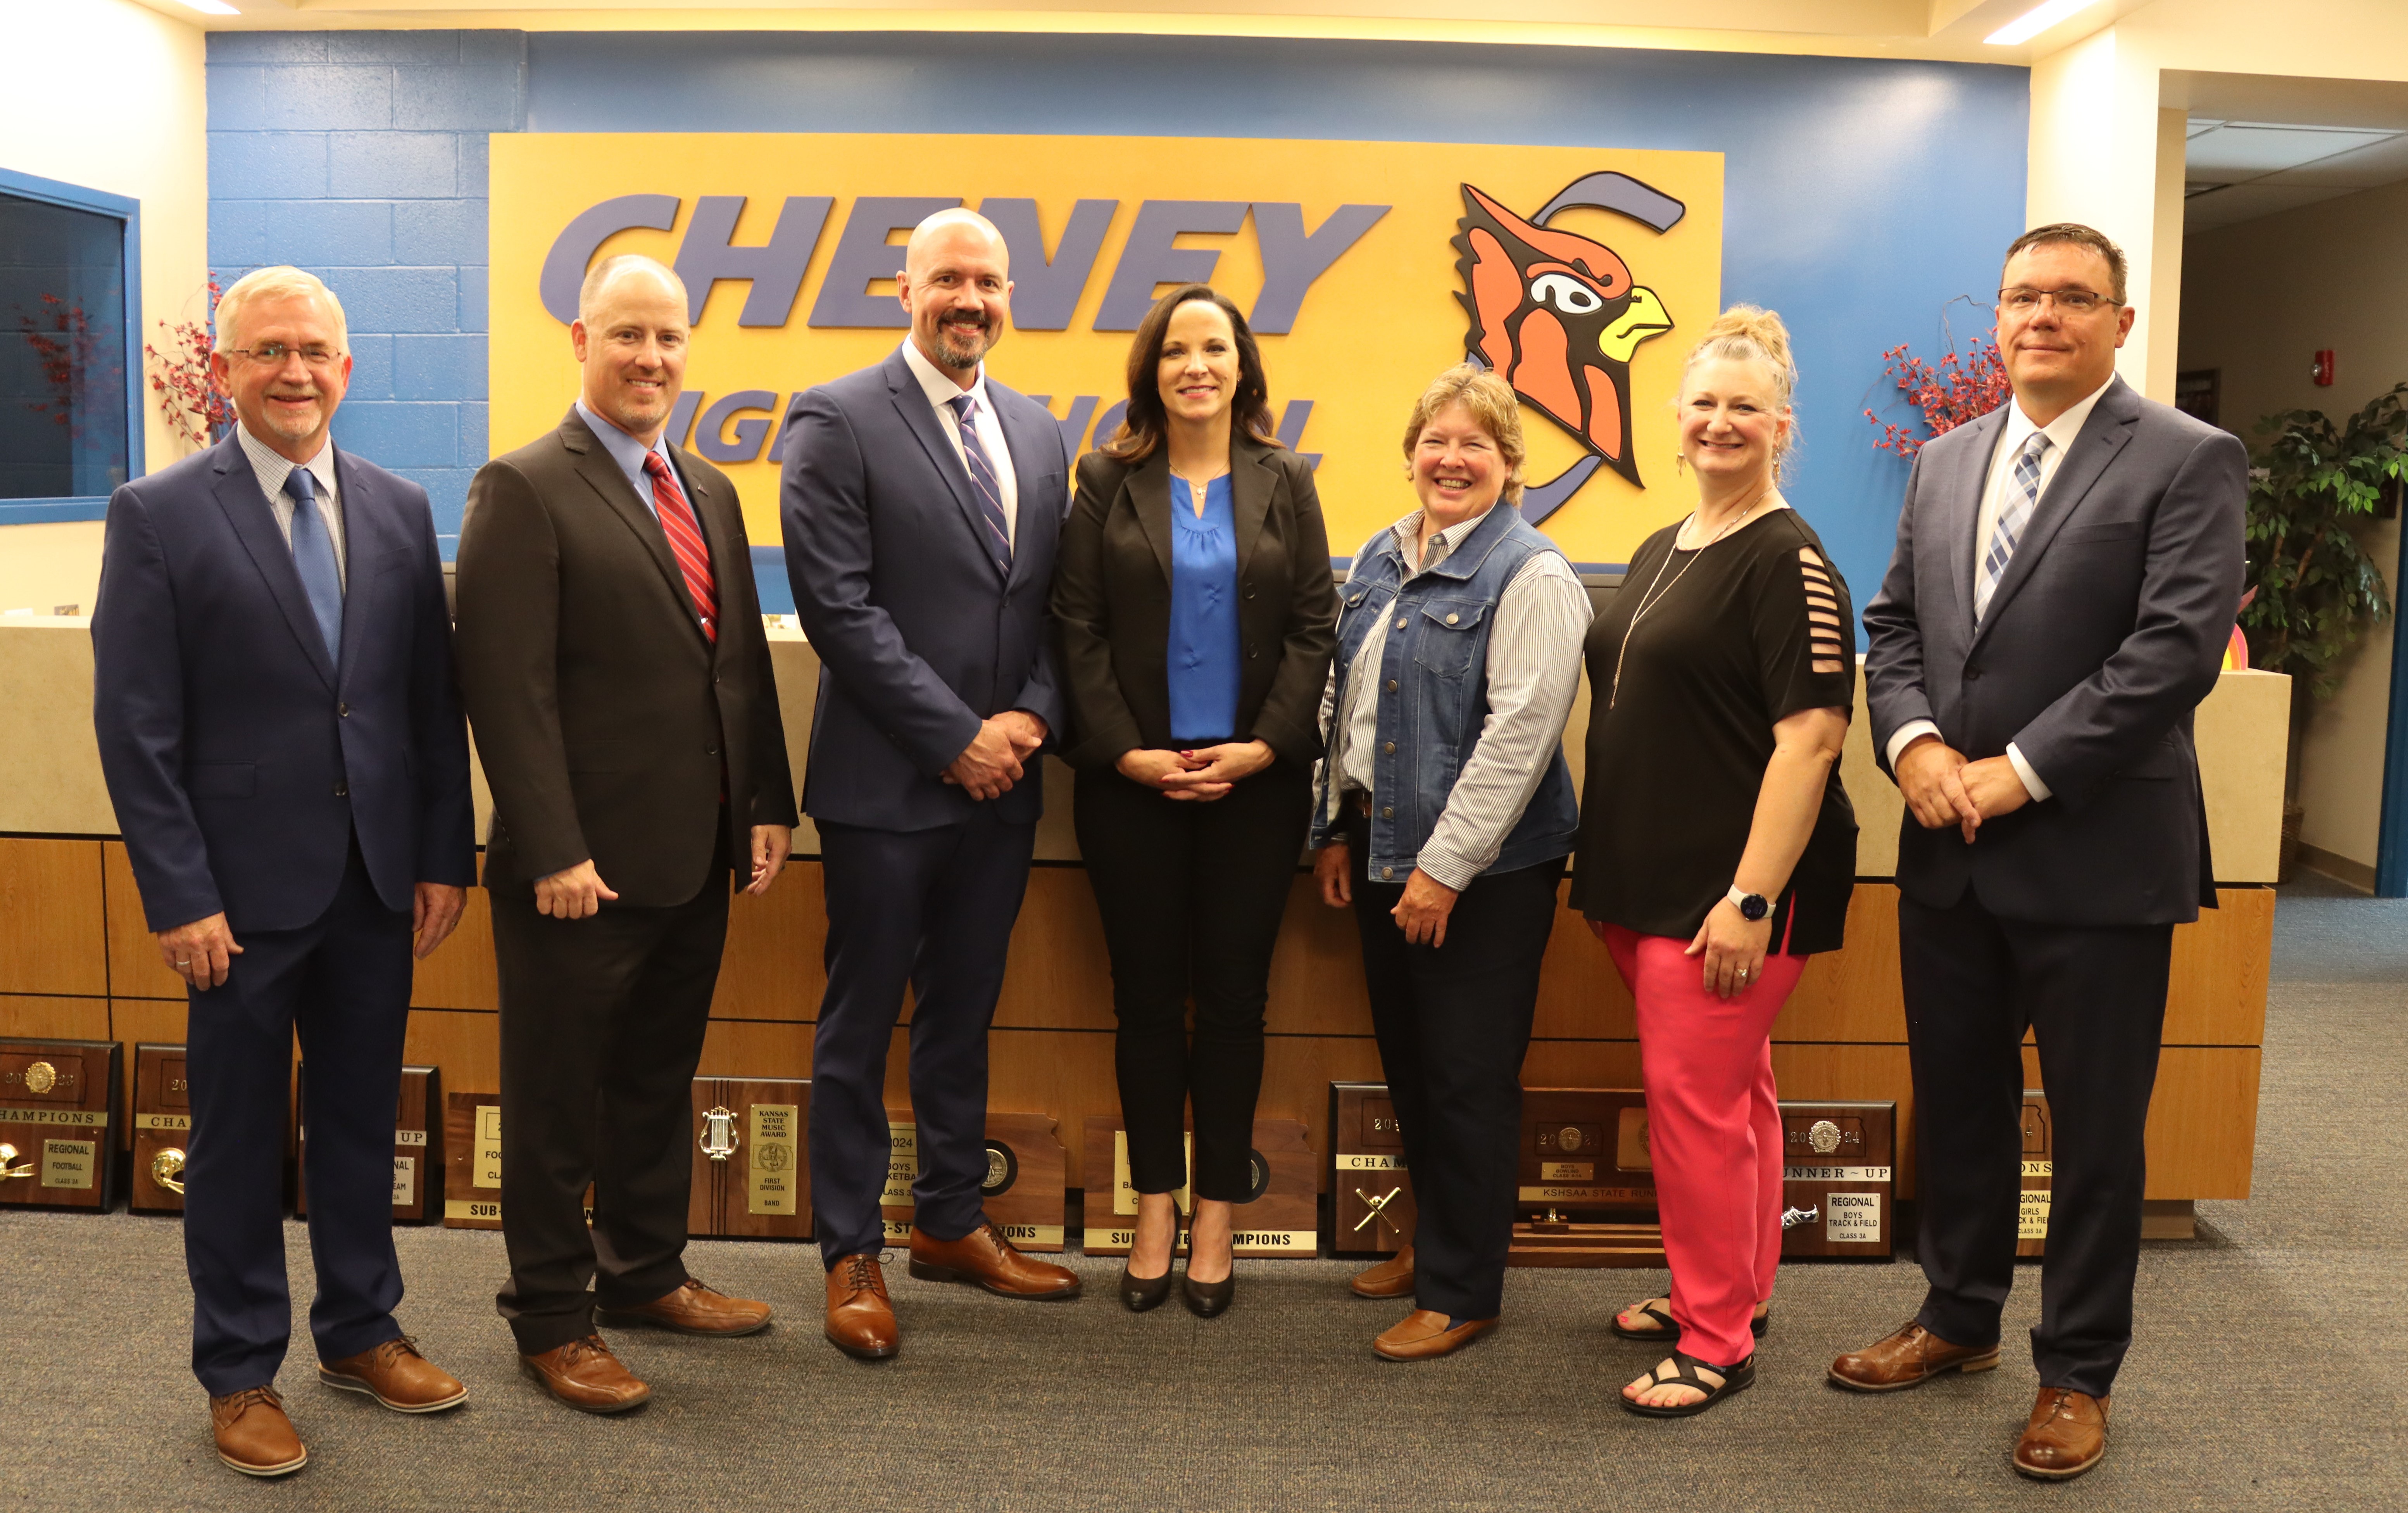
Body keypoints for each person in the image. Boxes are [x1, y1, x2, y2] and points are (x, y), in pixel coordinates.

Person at [1842, 223, 2246, 1481]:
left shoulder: (2187, 459)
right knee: (1958, 1110)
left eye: (2074, 298)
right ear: (1998, 318)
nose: (2042, 316)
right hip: (1948, 852)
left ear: (2121, 322)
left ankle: (2077, 1371)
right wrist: (1911, 747)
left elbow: (2171, 654)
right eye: (2023, 296)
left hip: (2094, 858)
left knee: (2094, 1134)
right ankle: (1955, 1319)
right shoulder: (1946, 460)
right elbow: (1895, 623)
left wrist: (2010, 775)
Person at [92, 266, 476, 1477]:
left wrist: (440, 856)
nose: (294, 370)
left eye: (313, 350)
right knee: (239, 1135)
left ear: (346, 369)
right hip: (238, 897)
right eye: (266, 352)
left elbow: (425, 700)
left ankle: (361, 1326)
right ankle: (241, 1366)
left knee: (363, 1116)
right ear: (224, 370)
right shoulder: (156, 512)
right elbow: (135, 725)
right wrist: (180, 892)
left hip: (374, 881)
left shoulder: (401, 505)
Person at [454, 254, 797, 1413]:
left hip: (693, 855)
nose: (650, 358)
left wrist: (764, 802)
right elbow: (507, 687)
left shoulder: (708, 484)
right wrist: (550, 845)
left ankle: (645, 1268)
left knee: (655, 1078)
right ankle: (552, 1316)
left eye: (668, 338)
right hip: (577, 872)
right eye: (627, 337)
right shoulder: (524, 484)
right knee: (557, 1100)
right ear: (580, 341)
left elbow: (737, 663)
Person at [782, 207, 1081, 1361]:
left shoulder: (1040, 430)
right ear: (901, 288)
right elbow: (838, 608)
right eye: (947, 278)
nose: (970, 298)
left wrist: (1030, 718)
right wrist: (955, 733)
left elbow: (1058, 606)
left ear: (1009, 298)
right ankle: (848, 1248)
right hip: (886, 786)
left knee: (962, 1013)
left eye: (989, 281)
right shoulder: (836, 416)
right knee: (859, 1024)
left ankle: (950, 1218)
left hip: (1001, 786)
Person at [1570, 307, 1857, 1417]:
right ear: (1676, 420)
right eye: (1703, 404)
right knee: (1735, 1097)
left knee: (1693, 1108)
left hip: (1724, 898)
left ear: (1781, 425)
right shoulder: (1662, 544)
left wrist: (1749, 898)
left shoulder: (1788, 560)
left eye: (1744, 407)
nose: (1720, 422)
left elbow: (1814, 737)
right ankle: (1733, 1286)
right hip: (1639, 884)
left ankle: (1716, 1337)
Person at [1052, 284, 1338, 1317]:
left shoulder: (1287, 480)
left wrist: (1264, 747)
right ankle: (1156, 1204)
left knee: (1231, 1001)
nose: (1194, 365)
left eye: (1212, 346)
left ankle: (1217, 1205)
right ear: (1152, 371)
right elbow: (1074, 626)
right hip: (1130, 787)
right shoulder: (1104, 479)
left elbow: (1315, 626)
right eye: (1175, 350)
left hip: (1251, 789)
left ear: (1242, 367)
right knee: (1140, 1002)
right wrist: (1124, 754)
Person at [1311, 363, 1590, 1361]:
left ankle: (1463, 1288)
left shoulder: (1534, 574)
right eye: (1436, 439)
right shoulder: (1381, 559)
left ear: (1512, 466)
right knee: (1416, 1073)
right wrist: (1338, 831)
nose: (1451, 458)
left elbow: (1520, 737)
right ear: (1412, 453)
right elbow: (1347, 710)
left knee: (1469, 1081)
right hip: (1386, 855)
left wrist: (1442, 868)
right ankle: (1433, 1242)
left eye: (1476, 443)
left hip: (1487, 874)